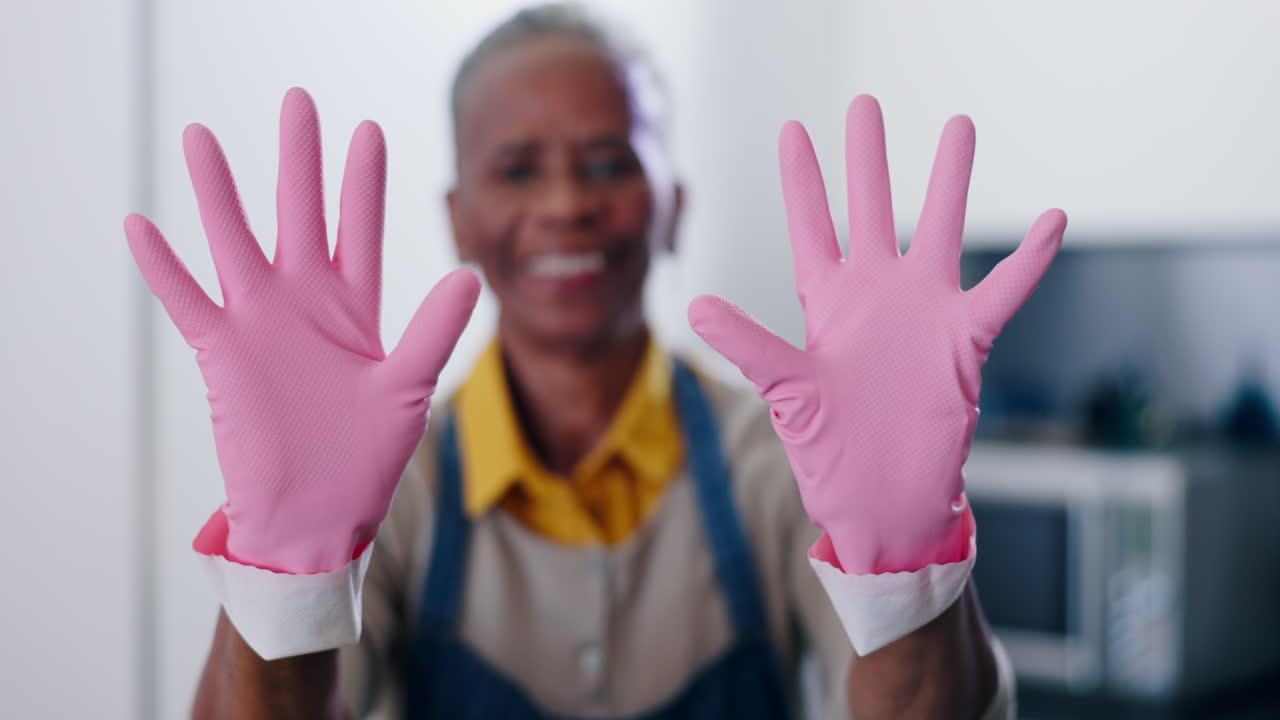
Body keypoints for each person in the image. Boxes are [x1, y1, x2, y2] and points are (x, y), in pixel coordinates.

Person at [126, 4, 1064, 718]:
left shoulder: (786, 464)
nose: (568, 201)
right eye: (518, 168)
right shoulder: (391, 486)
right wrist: (284, 568)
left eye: (612, 161)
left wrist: (906, 564)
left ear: (674, 206)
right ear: (458, 217)